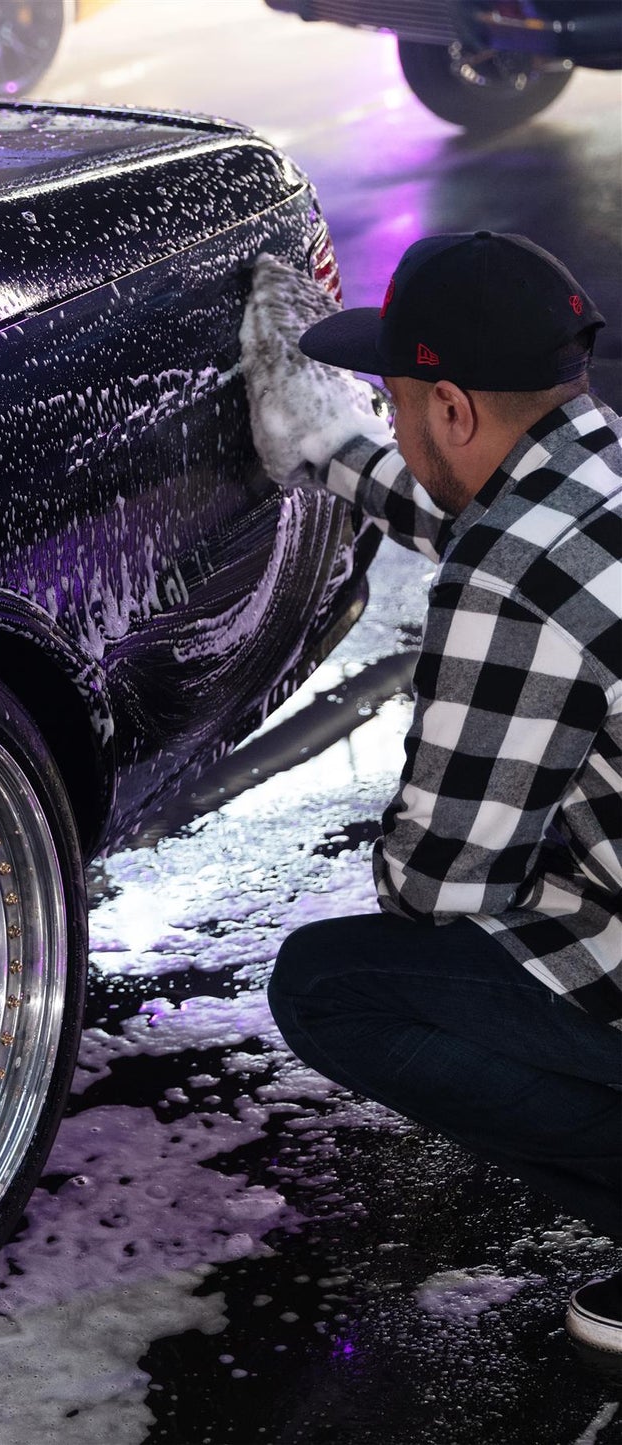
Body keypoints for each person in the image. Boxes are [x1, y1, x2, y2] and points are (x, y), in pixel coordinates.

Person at [238, 231, 622, 1363]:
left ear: (451, 409)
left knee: (335, 984)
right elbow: (477, 514)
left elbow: (438, 879)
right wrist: (322, 441)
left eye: (396, 400)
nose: (392, 421)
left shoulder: (504, 570)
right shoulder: (591, 476)